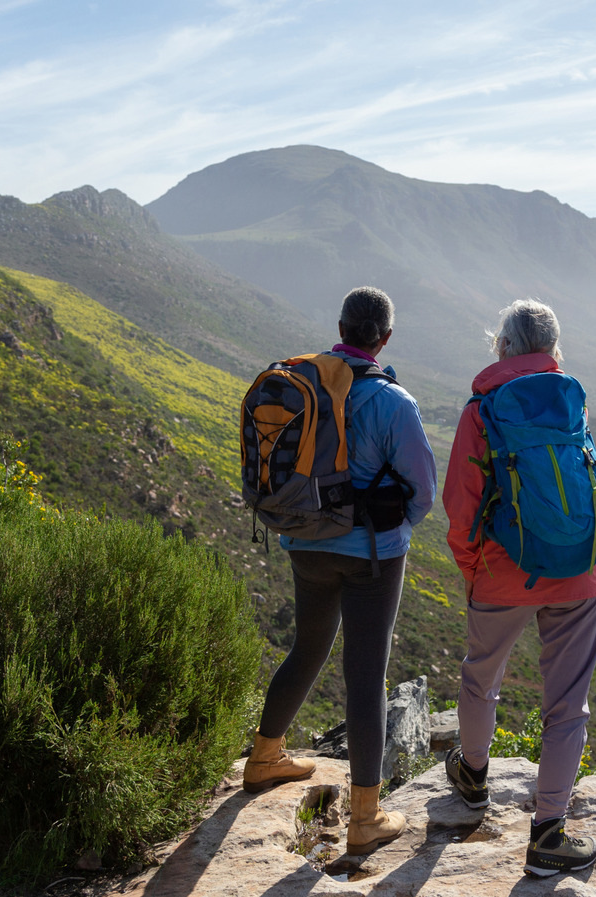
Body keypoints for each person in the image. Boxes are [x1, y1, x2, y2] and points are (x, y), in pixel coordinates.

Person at [243, 286, 438, 855]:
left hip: (304, 541)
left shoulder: (304, 383)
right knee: (366, 673)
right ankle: (365, 817)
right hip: (372, 553)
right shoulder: (393, 401)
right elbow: (422, 491)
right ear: (385, 338)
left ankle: (263, 758)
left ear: (340, 327)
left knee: (307, 647)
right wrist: (397, 526)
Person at [442, 298, 596, 878]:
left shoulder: (482, 409)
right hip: (579, 575)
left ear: (503, 347)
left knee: (480, 678)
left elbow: (460, 511)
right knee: (567, 706)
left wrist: (475, 570)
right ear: (555, 350)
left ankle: (474, 779)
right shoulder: (569, 401)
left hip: (502, 573)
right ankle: (548, 835)